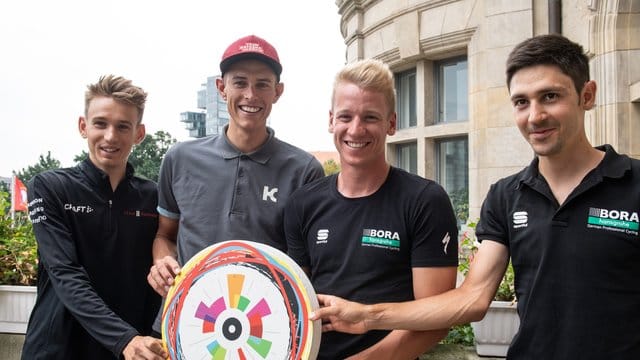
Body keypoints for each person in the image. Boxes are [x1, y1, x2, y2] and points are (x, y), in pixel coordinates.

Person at [309, 34, 640, 359]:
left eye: (550, 96)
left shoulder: (634, 184)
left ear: (587, 95)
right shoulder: (507, 196)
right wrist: (369, 316)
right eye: (522, 102)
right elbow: (474, 298)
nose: (535, 116)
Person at [284, 58, 459, 359]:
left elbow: (436, 320)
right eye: (346, 116)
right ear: (331, 120)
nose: (356, 129)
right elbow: (296, 303)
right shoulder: (303, 203)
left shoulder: (424, 201)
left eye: (370, 117)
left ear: (391, 123)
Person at [147, 34, 324, 298]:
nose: (250, 95)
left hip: (266, 328)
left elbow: (308, 263)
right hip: (187, 320)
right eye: (239, 82)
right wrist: (162, 263)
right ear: (221, 88)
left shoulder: (304, 171)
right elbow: (165, 235)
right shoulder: (179, 158)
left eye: (262, 84)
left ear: (278, 91)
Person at [22, 75, 165, 359]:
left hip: (133, 351)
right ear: (83, 126)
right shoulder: (50, 187)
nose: (110, 136)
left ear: (139, 133)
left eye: (123, 126)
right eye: (101, 123)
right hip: (57, 349)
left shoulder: (154, 197)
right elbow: (65, 273)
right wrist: (124, 339)